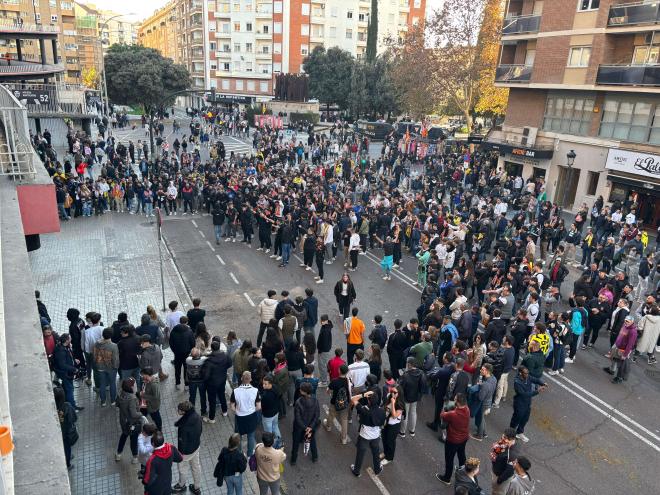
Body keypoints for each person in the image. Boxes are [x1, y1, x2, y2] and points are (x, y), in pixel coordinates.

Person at [435, 393, 470, 485]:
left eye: (455, 399)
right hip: (464, 438)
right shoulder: (467, 409)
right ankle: (466, 473)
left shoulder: (453, 414)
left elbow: (442, 415)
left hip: (453, 440)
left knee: (449, 459)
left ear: (457, 403)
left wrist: (446, 407)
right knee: (462, 456)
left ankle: (447, 478)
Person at [350, 389, 385, 477]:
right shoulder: (381, 410)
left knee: (360, 453)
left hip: (364, 435)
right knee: (375, 452)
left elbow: (353, 399)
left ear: (369, 401)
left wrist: (364, 394)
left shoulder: (364, 410)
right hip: (376, 435)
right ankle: (377, 469)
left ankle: (356, 471)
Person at [171, 401, 203, 495]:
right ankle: (197, 488)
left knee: (182, 468)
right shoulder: (197, 416)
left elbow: (182, 442)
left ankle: (181, 485)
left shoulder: (183, 426)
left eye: (179, 410)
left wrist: (181, 453)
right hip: (196, 447)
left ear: (184, 412)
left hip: (186, 452)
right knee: (196, 467)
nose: (178, 411)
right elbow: (200, 430)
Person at [509, 366, 547, 442]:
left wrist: (543, 383)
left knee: (525, 418)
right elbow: (524, 394)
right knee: (517, 418)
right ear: (520, 373)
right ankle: (510, 433)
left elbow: (535, 380)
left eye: (527, 373)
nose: (527, 375)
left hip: (527, 402)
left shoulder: (527, 377)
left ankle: (520, 432)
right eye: (525, 373)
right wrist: (537, 391)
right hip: (519, 403)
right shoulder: (517, 382)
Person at [231, 371, 261, 456]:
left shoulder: (235, 391)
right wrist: (251, 410)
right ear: (250, 380)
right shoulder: (255, 391)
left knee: (238, 435)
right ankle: (249, 454)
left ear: (241, 379)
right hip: (251, 417)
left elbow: (232, 406)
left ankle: (240, 453)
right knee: (251, 436)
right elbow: (258, 406)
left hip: (239, 417)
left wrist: (237, 411)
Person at [143, 431, 183, 495]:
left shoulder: (152, 460)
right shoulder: (171, 447)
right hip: (167, 481)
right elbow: (180, 458)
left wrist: (145, 485)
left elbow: (148, 479)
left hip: (156, 487)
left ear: (153, 444)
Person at [290, 381, 320, 464]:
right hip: (311, 425)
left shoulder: (298, 402)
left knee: (295, 443)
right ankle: (315, 457)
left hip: (299, 427)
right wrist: (310, 427)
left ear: (304, 392)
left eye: (301, 389)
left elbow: (297, 417)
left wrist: (304, 427)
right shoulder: (315, 400)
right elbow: (317, 415)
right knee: (312, 440)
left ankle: (293, 460)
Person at [202, 340, 232, 423]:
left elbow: (206, 376)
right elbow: (230, 364)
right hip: (222, 380)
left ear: (211, 348)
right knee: (222, 395)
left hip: (212, 384)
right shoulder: (225, 356)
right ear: (219, 347)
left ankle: (211, 418)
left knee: (212, 400)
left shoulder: (208, 361)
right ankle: (225, 411)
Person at [115, 378, 143, 464]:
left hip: (124, 421)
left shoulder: (121, 393)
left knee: (123, 436)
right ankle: (135, 457)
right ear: (131, 387)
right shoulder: (132, 398)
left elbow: (117, 404)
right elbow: (134, 414)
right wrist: (141, 414)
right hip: (132, 423)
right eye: (134, 385)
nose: (136, 386)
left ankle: (118, 454)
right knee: (133, 440)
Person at [52, 334, 83, 411]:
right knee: (70, 389)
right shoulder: (61, 351)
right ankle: (72, 407)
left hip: (67, 373)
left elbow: (68, 358)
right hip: (65, 374)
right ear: (66, 340)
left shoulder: (65, 347)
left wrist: (74, 360)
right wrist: (74, 369)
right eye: (70, 338)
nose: (71, 339)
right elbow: (62, 365)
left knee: (67, 388)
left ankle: (67, 402)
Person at [324, 363, 350, 444]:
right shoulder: (348, 381)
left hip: (335, 402)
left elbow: (328, 391)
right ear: (347, 372)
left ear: (339, 371)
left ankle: (328, 426)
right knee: (344, 420)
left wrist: (329, 392)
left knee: (331, 415)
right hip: (345, 403)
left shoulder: (335, 381)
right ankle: (344, 438)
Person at [399, 356, 425, 438]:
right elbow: (423, 385)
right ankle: (412, 431)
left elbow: (400, 387)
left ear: (409, 365)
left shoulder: (406, 375)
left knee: (405, 414)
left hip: (406, 397)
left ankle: (402, 432)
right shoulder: (421, 373)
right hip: (415, 397)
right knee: (413, 413)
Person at [93, 327, 119, 406]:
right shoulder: (113, 346)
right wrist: (116, 367)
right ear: (111, 336)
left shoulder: (97, 343)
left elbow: (94, 355)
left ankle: (103, 401)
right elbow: (115, 359)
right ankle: (113, 401)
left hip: (100, 367)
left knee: (102, 384)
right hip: (111, 368)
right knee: (112, 383)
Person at [54, 386, 78, 471]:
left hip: (58, 432)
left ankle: (68, 456)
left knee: (64, 446)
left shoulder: (53, 409)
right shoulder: (67, 406)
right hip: (67, 431)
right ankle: (68, 464)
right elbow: (74, 418)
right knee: (67, 447)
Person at [491, 428, 520, 495]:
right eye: (503, 436)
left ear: (512, 439)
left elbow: (509, 471)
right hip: (496, 469)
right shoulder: (507, 442)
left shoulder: (512, 454)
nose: (503, 439)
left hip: (500, 475)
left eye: (505, 438)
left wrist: (499, 480)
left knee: (498, 492)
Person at [169, 315, 195, 390]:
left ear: (179, 321)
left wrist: (175, 351)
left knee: (177, 368)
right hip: (187, 353)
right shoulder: (189, 331)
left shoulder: (174, 330)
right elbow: (193, 343)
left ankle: (177, 383)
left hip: (177, 354)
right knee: (186, 369)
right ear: (187, 322)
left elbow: (171, 342)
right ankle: (186, 385)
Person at [381, 384, 404, 466]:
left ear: (399, 393)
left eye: (395, 392)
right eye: (391, 391)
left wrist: (393, 403)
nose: (393, 394)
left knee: (390, 441)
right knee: (384, 438)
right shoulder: (389, 396)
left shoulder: (400, 404)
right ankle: (385, 452)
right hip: (385, 423)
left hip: (394, 426)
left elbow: (394, 415)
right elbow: (384, 407)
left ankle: (389, 458)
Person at [261, 374, 283, 448]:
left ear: (270, 383)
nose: (263, 385)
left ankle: (271, 446)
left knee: (268, 432)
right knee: (275, 427)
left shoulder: (265, 395)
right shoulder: (275, 387)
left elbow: (262, 406)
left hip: (267, 416)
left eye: (265, 384)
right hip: (275, 413)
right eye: (263, 383)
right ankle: (279, 442)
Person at [139, 367, 162, 431]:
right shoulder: (147, 380)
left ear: (147, 375)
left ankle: (159, 429)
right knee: (143, 414)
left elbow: (155, 397)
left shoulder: (154, 385)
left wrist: (143, 395)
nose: (142, 376)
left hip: (153, 406)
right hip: (147, 404)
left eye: (143, 375)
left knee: (156, 417)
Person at [316, 315, 333, 386]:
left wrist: (320, 350)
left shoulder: (325, 330)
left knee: (322, 365)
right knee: (324, 364)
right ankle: (324, 377)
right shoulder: (327, 326)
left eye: (322, 321)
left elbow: (324, 343)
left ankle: (324, 381)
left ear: (325, 321)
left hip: (323, 350)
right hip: (325, 349)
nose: (321, 322)